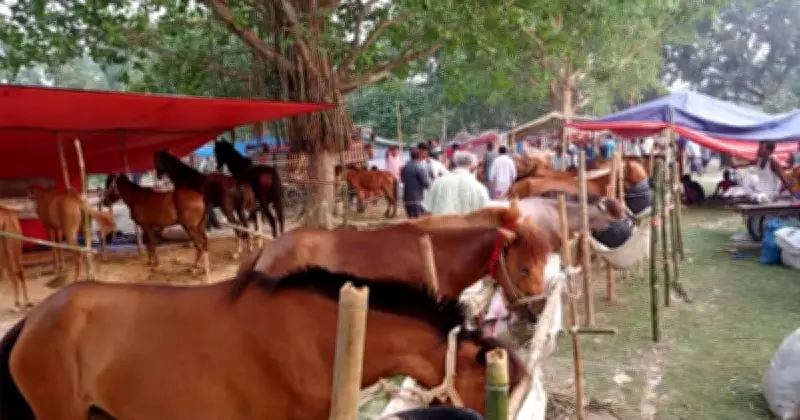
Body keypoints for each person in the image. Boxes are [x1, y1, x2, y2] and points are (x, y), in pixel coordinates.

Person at [422, 150, 489, 215]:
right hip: (468, 226)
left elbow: (427, 212)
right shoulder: (479, 188)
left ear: (454, 164)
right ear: (473, 168)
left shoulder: (437, 183)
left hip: (440, 225)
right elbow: (484, 214)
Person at [400, 148, 431, 218]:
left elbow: (403, 180)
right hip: (417, 199)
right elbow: (425, 183)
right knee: (418, 221)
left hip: (407, 199)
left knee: (411, 220)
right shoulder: (420, 167)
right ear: (419, 156)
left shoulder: (405, 167)